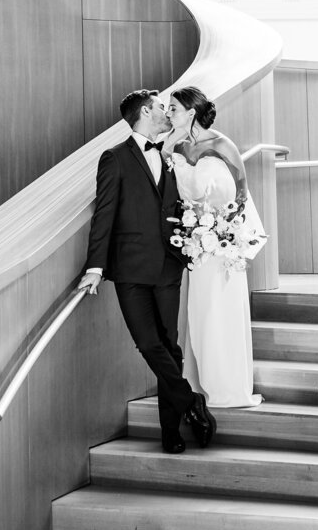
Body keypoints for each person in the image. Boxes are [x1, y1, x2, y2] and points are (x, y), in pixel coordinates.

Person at [77, 89, 217, 454]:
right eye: (160, 107)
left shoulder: (172, 153)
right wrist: (95, 266)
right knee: (148, 343)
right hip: (130, 269)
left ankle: (170, 433)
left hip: (169, 265)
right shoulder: (115, 158)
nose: (167, 112)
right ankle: (191, 402)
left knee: (170, 347)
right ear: (145, 111)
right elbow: (104, 213)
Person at [162, 86, 265, 408]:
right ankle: (199, 382)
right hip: (196, 246)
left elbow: (240, 194)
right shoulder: (177, 145)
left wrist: (223, 232)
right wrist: (168, 148)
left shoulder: (222, 145)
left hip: (221, 247)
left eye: (174, 108)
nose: (168, 113)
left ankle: (228, 387)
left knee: (220, 311)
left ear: (191, 112)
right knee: (199, 312)